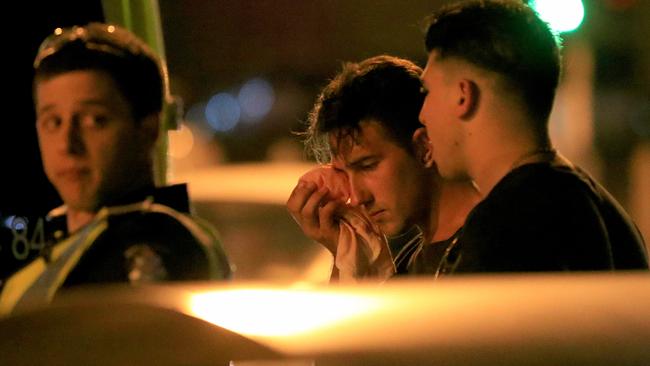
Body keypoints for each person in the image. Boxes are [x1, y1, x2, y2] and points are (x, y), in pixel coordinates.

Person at [1, 23, 231, 314]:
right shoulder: (37, 241)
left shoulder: (162, 244)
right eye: (53, 122)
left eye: (94, 120)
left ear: (148, 129)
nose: (67, 145)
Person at [418, 0, 648, 273]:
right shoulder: (602, 210)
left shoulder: (504, 227)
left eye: (427, 92)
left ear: (462, 95)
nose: (422, 114)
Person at [287, 55, 481, 280]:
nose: (358, 197)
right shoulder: (410, 261)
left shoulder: (495, 244)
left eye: (367, 166)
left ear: (424, 147)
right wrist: (347, 253)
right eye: (342, 173)